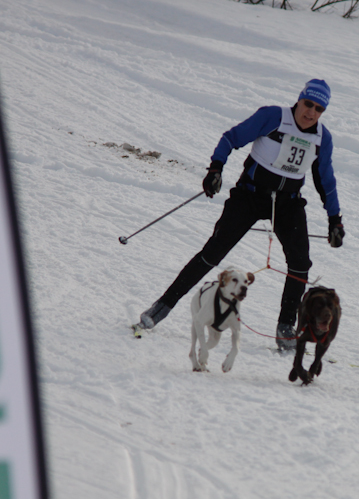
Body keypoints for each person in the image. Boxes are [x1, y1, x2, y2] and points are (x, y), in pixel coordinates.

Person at [135, 79, 344, 352]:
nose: (311, 113)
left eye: (319, 109)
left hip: (288, 203)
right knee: (212, 254)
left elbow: (325, 180)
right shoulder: (272, 117)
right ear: (299, 100)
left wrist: (334, 219)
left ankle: (285, 328)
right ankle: (161, 307)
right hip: (250, 195)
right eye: (308, 104)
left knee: (300, 264)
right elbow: (230, 138)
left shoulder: (322, 138)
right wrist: (215, 169)